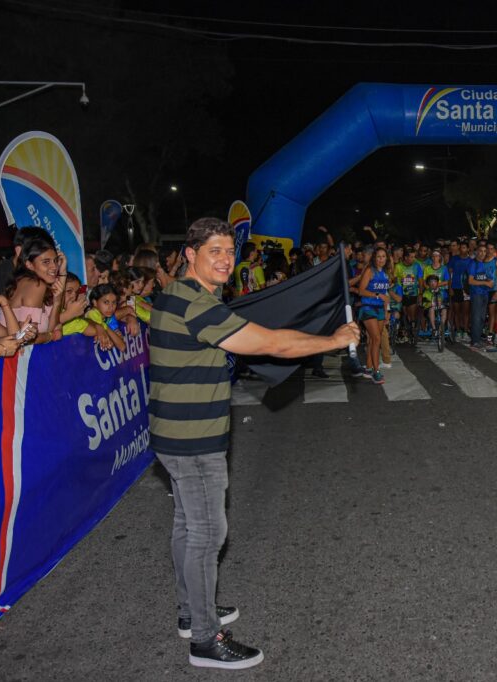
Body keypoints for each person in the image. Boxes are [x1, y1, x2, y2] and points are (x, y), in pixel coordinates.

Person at [148, 218, 359, 670]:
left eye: (229, 251)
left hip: (175, 430)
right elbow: (271, 344)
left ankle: (192, 611)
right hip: (192, 436)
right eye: (214, 252)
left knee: (188, 526)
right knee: (208, 533)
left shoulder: (178, 295)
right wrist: (334, 340)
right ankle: (205, 639)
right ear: (190, 254)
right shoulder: (196, 306)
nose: (225, 260)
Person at [357, 247, 390, 384]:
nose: (381, 259)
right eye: (378, 257)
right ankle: (376, 372)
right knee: (377, 339)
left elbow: (386, 296)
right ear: (374, 258)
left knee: (372, 340)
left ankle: (369, 367)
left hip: (380, 310)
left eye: (383, 256)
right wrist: (377, 295)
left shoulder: (386, 274)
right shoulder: (370, 271)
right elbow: (361, 291)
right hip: (368, 308)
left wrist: (387, 311)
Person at [394, 250, 423, 345]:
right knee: (404, 313)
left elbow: (420, 281)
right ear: (405, 257)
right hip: (401, 294)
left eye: (414, 257)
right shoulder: (398, 266)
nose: (413, 259)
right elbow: (394, 280)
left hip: (413, 294)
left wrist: (420, 294)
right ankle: (403, 332)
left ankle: (412, 331)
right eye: (411, 257)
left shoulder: (417, 266)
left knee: (412, 315)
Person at [466, 245, 493, 348]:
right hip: (476, 294)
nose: (482, 253)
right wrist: (485, 283)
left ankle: (477, 339)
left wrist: (490, 282)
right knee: (476, 317)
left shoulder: (485, 264)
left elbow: (489, 278)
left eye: (484, 251)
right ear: (476, 252)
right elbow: (470, 281)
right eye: (480, 251)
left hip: (485, 294)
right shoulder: (473, 264)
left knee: (482, 317)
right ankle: (474, 340)